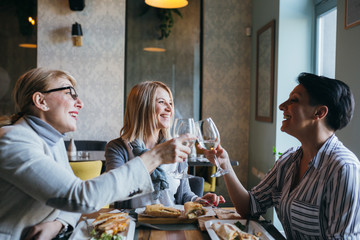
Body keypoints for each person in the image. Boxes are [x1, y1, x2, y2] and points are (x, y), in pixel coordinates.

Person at [0, 68, 195, 240]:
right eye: (70, 94)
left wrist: (59, 223)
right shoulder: (13, 140)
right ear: (41, 100)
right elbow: (80, 197)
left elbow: (73, 202)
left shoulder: (54, 140)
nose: (80, 103)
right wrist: (156, 157)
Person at [203, 73, 360, 238]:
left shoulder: (344, 169)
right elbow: (250, 207)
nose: (281, 106)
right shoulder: (288, 160)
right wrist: (225, 165)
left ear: (319, 112)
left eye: (294, 100)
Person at [105, 81, 225, 208]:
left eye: (171, 103)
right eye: (161, 102)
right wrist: (156, 157)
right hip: (134, 225)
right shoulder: (118, 148)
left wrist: (198, 200)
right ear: (142, 107)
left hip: (172, 223)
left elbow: (184, 194)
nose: (169, 108)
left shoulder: (175, 147)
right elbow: (116, 191)